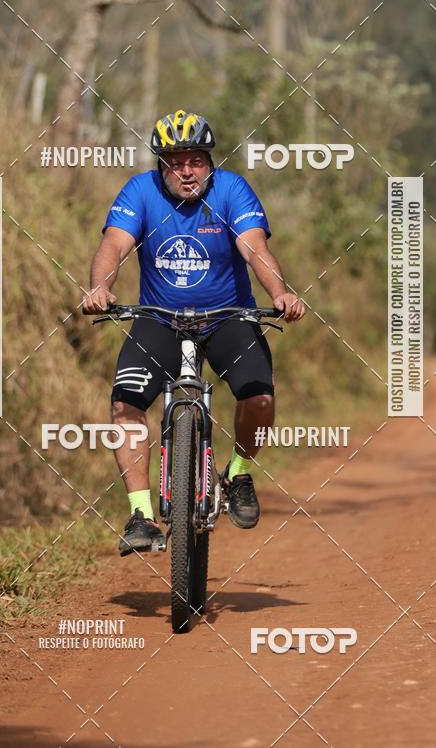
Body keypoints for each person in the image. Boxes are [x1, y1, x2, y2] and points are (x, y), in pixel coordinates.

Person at [82, 109, 305, 556]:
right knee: (125, 405)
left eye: (196, 161)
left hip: (227, 317)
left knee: (260, 398)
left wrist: (280, 293)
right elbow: (115, 244)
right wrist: (100, 287)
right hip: (159, 318)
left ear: (210, 161)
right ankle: (141, 515)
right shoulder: (140, 191)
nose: (186, 171)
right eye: (175, 162)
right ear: (161, 165)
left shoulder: (231, 190)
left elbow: (253, 248)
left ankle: (238, 472)